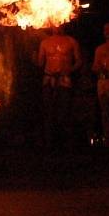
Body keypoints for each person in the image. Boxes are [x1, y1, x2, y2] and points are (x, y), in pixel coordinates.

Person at [36, 24, 81, 154]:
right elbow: (40, 63)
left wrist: (70, 69)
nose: (57, 26)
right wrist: (33, 58)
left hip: (64, 79)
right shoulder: (44, 42)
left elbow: (79, 61)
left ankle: (65, 145)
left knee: (65, 112)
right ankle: (49, 144)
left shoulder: (71, 41)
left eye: (59, 23)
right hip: (48, 80)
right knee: (48, 112)